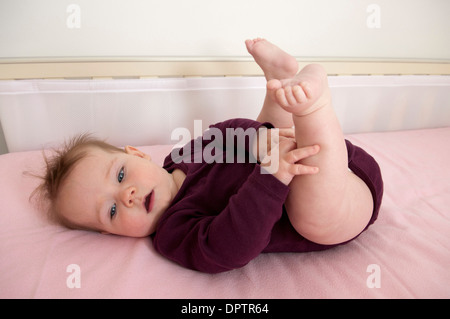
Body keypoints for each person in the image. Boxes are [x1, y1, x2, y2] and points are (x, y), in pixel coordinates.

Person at [33, 39, 383, 273]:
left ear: (138, 154)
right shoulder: (174, 232)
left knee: (259, 132)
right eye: (110, 211)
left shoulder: (182, 155)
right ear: (112, 236)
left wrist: (262, 141)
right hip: (340, 207)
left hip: (331, 157)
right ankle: (313, 108)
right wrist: (270, 176)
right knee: (310, 216)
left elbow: (224, 131)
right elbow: (229, 247)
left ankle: (280, 85)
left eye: (121, 176)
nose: (126, 196)